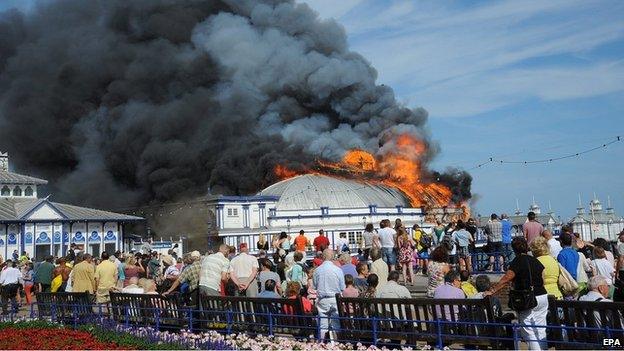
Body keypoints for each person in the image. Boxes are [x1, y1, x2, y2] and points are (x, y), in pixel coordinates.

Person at [485, 237, 548, 351]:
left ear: (514, 249)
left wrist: (493, 290)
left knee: (528, 331)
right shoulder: (535, 260)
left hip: (527, 298)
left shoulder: (518, 261)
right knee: (540, 329)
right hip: (542, 296)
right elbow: (543, 278)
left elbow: (506, 278)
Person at [313, 248, 345, 341]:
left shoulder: (317, 270)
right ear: (333, 257)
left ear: (323, 257)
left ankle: (321, 343)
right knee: (336, 324)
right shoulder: (338, 270)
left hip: (322, 299)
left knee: (323, 325)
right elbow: (342, 287)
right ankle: (338, 344)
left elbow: (315, 286)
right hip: (335, 299)